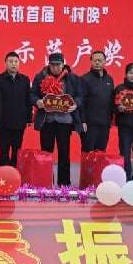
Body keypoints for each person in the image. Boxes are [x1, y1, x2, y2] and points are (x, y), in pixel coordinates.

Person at [30, 53, 83, 187]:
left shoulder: (72, 78)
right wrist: (37, 101)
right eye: (52, 65)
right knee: (46, 153)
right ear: (49, 64)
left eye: (58, 65)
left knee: (64, 153)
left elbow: (80, 96)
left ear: (63, 64)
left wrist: (75, 104)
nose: (55, 67)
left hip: (65, 122)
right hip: (47, 121)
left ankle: (64, 184)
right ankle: (46, 182)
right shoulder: (40, 77)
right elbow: (32, 94)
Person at [0, 52, 32, 167]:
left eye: (16, 61)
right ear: (5, 63)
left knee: (17, 150)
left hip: (19, 122)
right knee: (4, 150)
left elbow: (28, 100)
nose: (13, 64)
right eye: (10, 61)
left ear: (19, 63)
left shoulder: (25, 80)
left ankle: (14, 173)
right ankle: (3, 173)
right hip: (3, 122)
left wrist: (29, 118)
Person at [80, 50, 115, 152]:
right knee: (88, 152)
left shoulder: (109, 79)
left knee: (101, 152)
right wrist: (82, 121)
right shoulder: (84, 79)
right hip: (89, 124)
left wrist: (111, 119)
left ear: (105, 62)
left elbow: (111, 100)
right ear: (91, 62)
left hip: (105, 123)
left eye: (100, 60)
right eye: (95, 60)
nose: (97, 62)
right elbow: (81, 102)